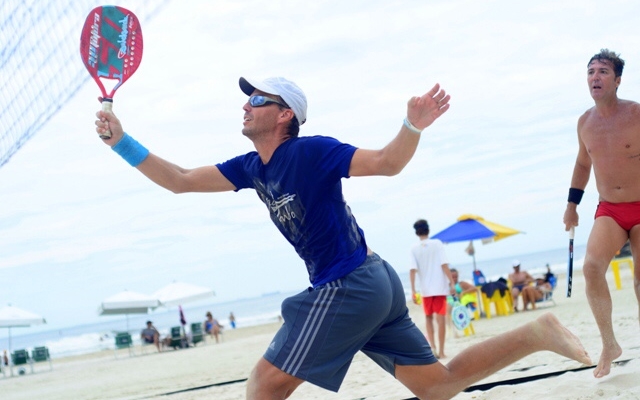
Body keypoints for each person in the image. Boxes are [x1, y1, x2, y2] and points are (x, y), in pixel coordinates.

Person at [95, 76, 591, 399]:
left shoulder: (312, 152)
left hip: (349, 284)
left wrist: (410, 126)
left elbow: (387, 163)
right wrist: (121, 142)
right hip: (371, 281)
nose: (245, 106)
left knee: (263, 387)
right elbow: (179, 179)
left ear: (285, 114)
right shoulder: (250, 167)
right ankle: (537, 333)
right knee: (438, 387)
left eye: (257, 99)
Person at [563, 48, 640, 379]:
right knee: (592, 268)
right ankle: (610, 344)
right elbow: (583, 163)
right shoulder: (585, 122)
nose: (595, 76)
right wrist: (571, 206)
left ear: (618, 80)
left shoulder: (636, 114)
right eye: (591, 71)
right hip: (609, 208)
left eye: (603, 71)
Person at [409, 219, 455, 359]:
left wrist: (413, 290)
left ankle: (433, 348)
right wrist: (452, 283)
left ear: (417, 232)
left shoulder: (414, 248)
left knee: (428, 318)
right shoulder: (437, 244)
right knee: (440, 319)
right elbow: (444, 265)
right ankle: (441, 351)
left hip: (426, 290)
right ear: (428, 230)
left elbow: (412, 270)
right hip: (440, 288)